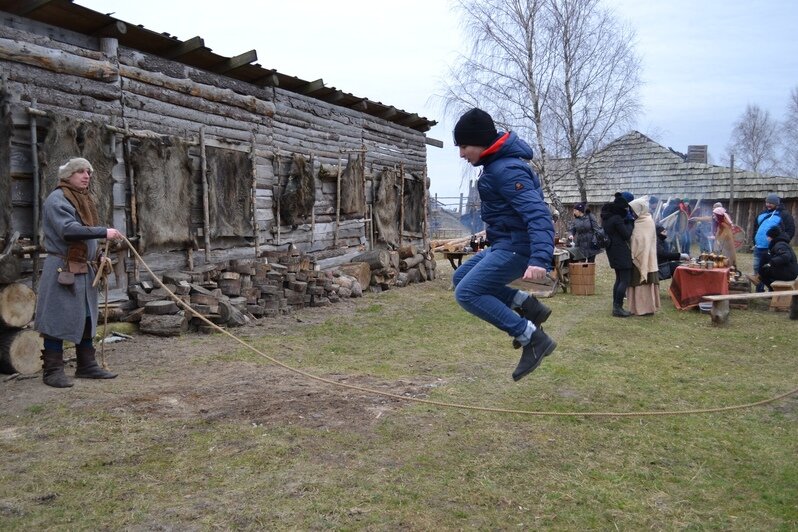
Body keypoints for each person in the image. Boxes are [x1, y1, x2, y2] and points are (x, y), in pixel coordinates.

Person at [450, 108, 556, 381]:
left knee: (467, 294)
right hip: (505, 243)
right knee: (460, 276)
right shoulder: (497, 165)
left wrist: (539, 259)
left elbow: (538, 214)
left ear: (481, 141)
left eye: (464, 146)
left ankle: (531, 337)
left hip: (519, 248)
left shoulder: (506, 169)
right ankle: (526, 304)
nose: (461, 154)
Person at [34, 157, 123, 388]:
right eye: (80, 172)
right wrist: (104, 232)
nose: (86, 176)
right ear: (68, 175)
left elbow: (85, 236)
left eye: (89, 172)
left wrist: (98, 255)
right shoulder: (57, 199)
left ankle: (87, 365)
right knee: (57, 318)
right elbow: (68, 231)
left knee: (85, 317)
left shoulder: (83, 199)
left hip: (85, 268)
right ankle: (52, 370)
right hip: (63, 269)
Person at [752, 193, 796, 291]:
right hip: (759, 247)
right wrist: (754, 241)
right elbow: (756, 228)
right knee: (757, 267)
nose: (768, 204)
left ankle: (772, 290)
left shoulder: (784, 214)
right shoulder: (762, 214)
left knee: (769, 269)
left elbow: (790, 229)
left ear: (777, 203)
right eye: (767, 202)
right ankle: (759, 290)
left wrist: (780, 242)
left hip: (773, 247)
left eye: (770, 203)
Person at [601, 193, 634, 317]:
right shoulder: (616, 219)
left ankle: (616, 305)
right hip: (620, 251)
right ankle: (617, 307)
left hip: (612, 251)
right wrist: (630, 223)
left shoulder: (607, 217)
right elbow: (626, 235)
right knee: (624, 279)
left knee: (619, 279)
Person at [626, 199, 661, 315]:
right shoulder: (639, 221)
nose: (632, 214)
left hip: (645, 256)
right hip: (639, 256)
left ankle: (645, 308)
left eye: (634, 211)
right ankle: (635, 307)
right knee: (635, 282)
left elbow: (642, 241)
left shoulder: (646, 221)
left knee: (642, 282)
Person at [758, 226, 798, 290]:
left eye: (768, 236)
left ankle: (773, 290)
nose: (767, 238)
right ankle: (771, 289)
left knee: (763, 273)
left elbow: (786, 256)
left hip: (788, 273)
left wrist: (770, 263)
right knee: (765, 263)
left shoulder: (780, 245)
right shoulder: (781, 243)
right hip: (790, 271)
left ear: (772, 237)